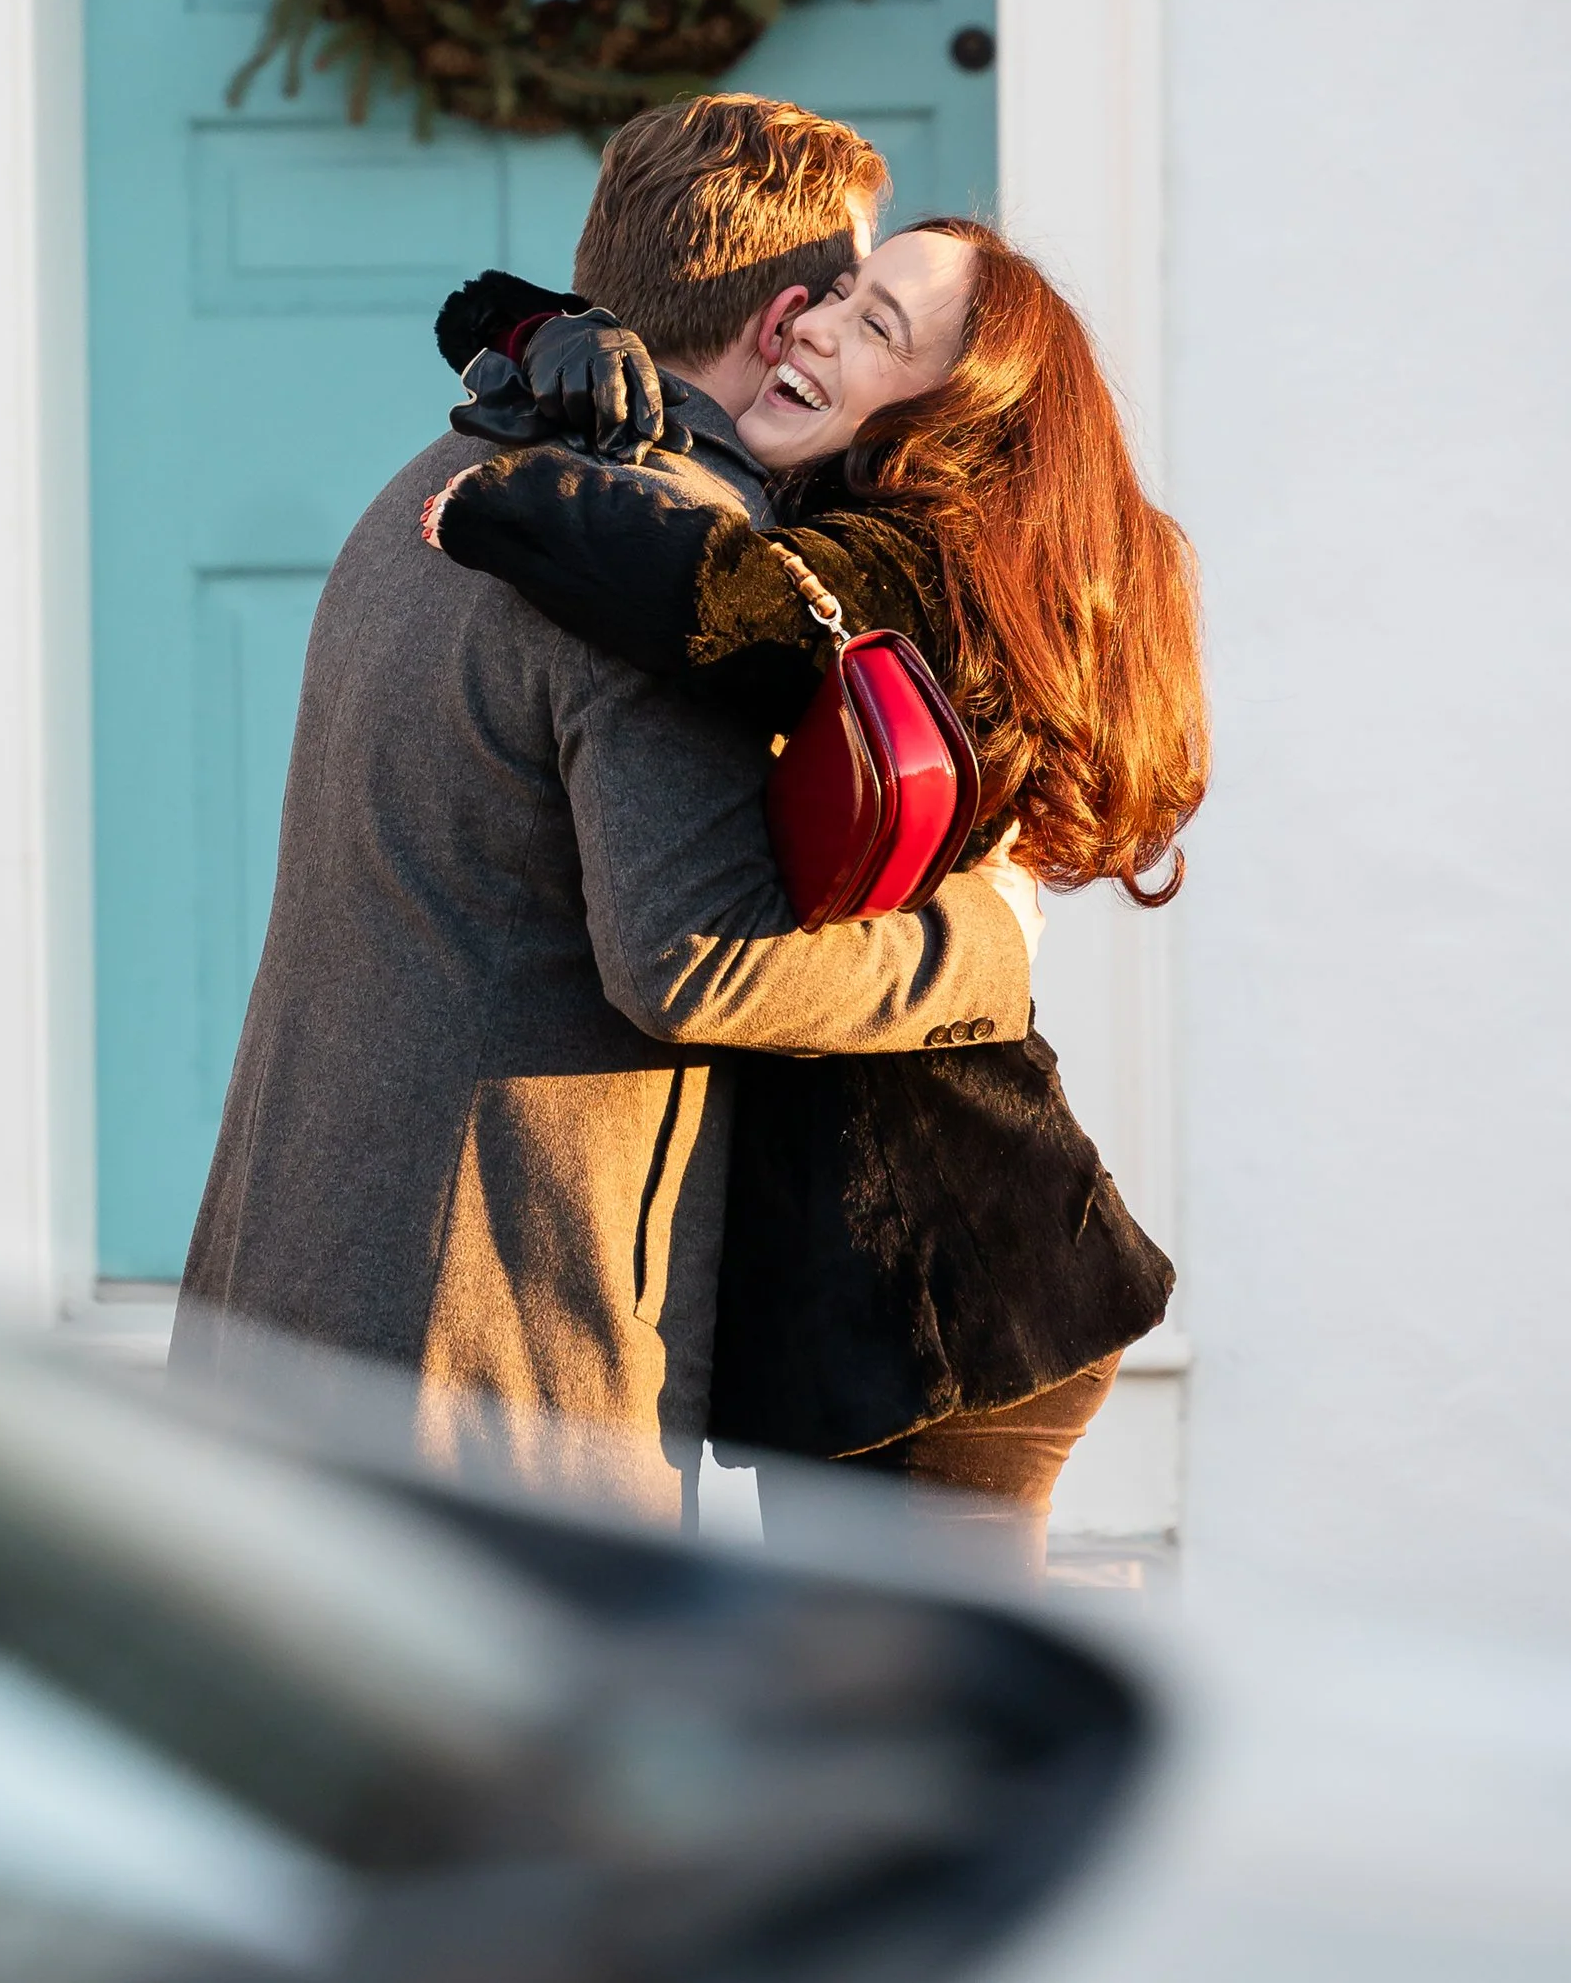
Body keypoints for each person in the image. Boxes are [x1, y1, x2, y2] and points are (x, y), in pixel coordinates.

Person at [173, 98, 1043, 1525]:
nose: (843, 335)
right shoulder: (655, 560)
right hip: (489, 1369)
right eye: (847, 298)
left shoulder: (446, 472)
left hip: (280, 1298)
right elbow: (695, 958)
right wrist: (988, 943)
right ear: (785, 318)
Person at [424, 216, 1206, 1570]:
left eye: (876, 327)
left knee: (914, 1698)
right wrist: (549, 332)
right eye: (842, 290)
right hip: (871, 1309)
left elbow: (712, 596)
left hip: (940, 1302)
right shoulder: (839, 516)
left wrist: (501, 503)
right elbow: (466, 306)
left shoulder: (921, 568)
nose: (816, 325)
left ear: (949, 419)